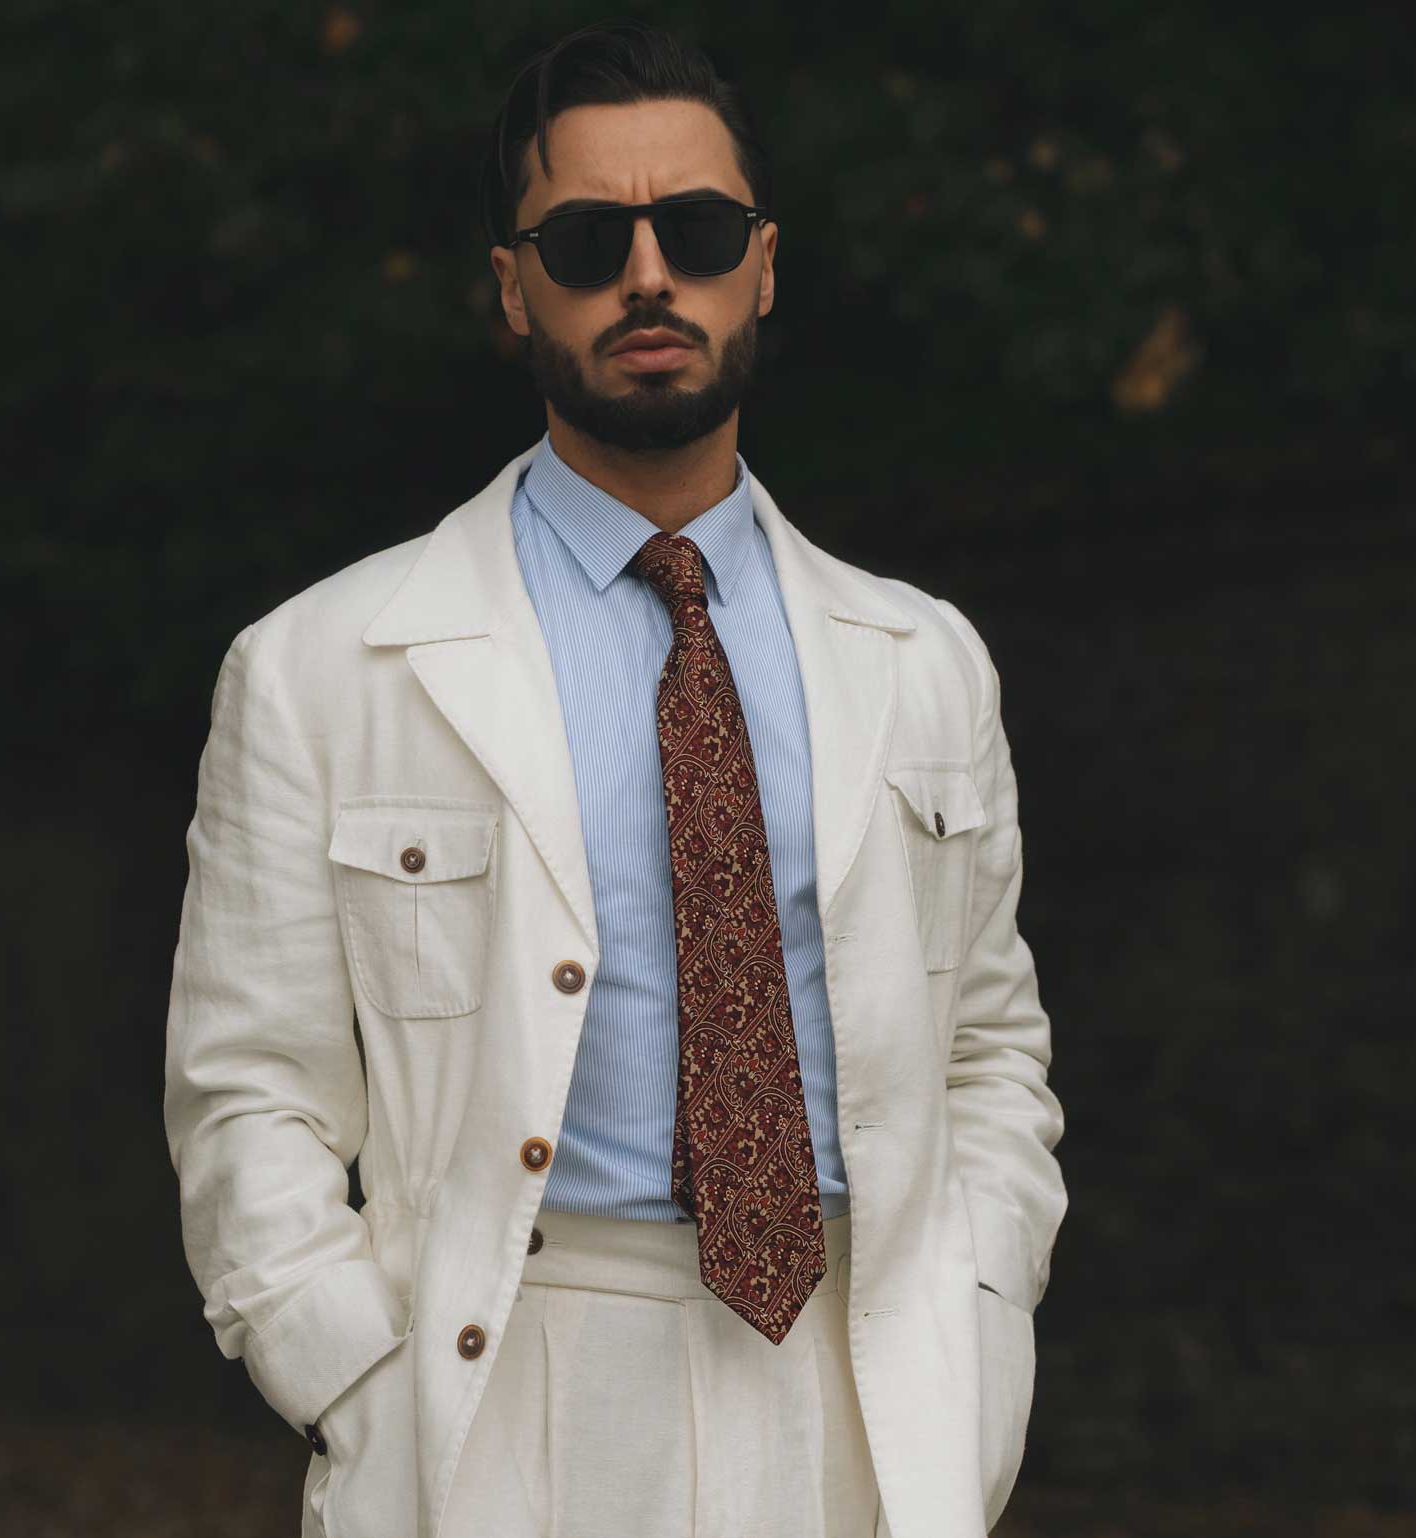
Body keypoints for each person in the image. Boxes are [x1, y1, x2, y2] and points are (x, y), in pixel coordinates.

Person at [163, 19, 1067, 1538]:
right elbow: (246, 1087)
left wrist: (980, 1307)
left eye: (696, 230)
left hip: (867, 1378)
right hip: (506, 1372)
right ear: (513, 287)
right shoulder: (318, 666)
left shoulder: (922, 657)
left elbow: (989, 1046)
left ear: (762, 265)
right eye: (588, 238)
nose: (649, 275)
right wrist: (349, 1370)